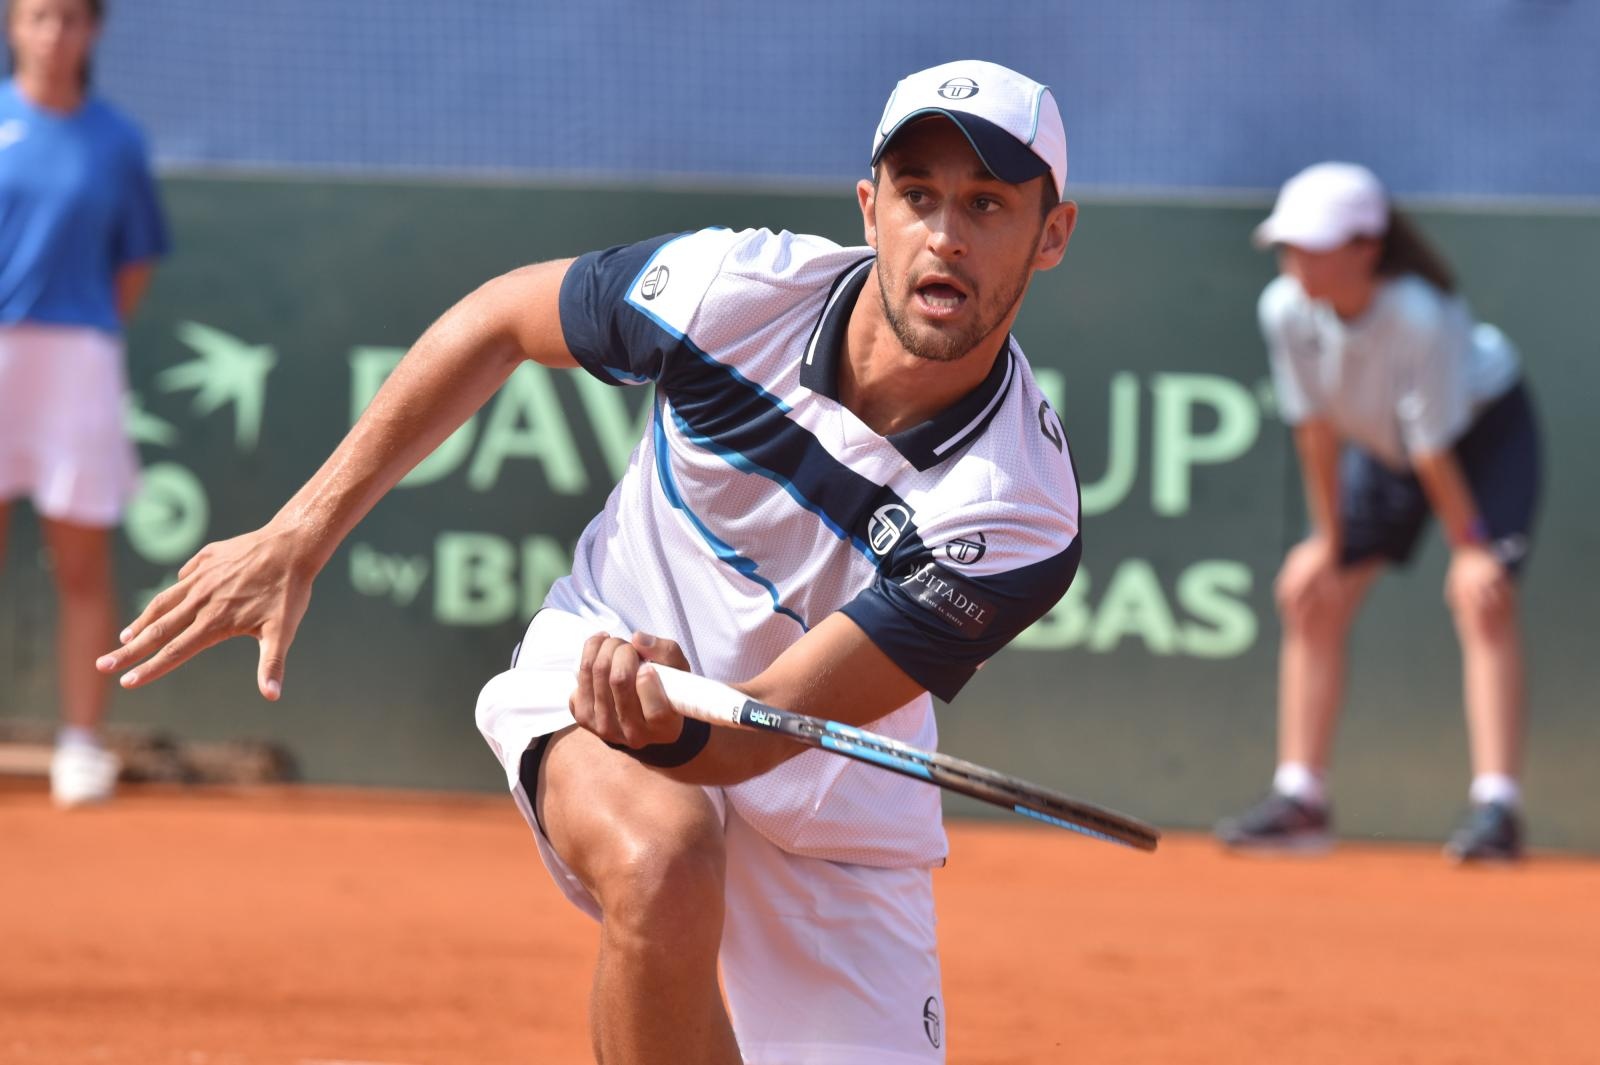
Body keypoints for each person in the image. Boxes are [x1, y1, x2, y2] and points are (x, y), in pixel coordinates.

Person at [97, 59, 1082, 1062]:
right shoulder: (730, 293)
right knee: (662, 860)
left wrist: (672, 725)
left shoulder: (1015, 513)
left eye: (987, 204)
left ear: (1051, 234)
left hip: (827, 803)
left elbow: (754, 734)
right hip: (598, 667)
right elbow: (499, 320)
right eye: (918, 196)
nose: (945, 235)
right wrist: (299, 534)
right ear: (870, 208)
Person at [1215, 162, 1541, 864]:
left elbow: (1434, 453)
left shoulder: (1421, 315)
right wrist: (1326, 542)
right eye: (1288, 243)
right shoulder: (1283, 308)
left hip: (1480, 440)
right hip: (1389, 448)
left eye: (1313, 244)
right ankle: (1301, 798)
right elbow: (1316, 430)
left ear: (1366, 246)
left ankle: (1497, 806)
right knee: (1312, 595)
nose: (1293, 258)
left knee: (1482, 599)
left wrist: (1472, 546)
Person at [0, 0, 168, 807]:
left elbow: (134, 261)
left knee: (80, 562)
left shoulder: (118, 141)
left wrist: (83, 332)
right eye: (38, 17)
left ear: (92, 31)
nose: (54, 34)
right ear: (12, 27)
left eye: (70, 18)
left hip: (80, 363)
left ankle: (79, 745)